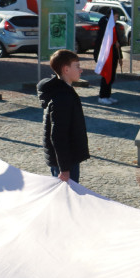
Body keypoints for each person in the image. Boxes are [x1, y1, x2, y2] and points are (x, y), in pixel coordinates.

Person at [40, 50, 89, 184]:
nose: (81, 70)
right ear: (66, 69)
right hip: (66, 162)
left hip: (68, 158)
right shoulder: (62, 97)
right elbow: (58, 135)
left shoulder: (65, 91)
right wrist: (64, 168)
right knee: (66, 195)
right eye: (77, 66)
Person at [94, 11, 122, 105]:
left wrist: (120, 57)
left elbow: (117, 41)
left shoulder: (113, 25)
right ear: (111, 16)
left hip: (114, 55)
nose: (117, 18)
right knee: (106, 75)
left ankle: (107, 95)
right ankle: (102, 96)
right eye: (116, 16)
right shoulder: (105, 26)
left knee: (111, 76)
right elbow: (103, 42)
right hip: (106, 56)